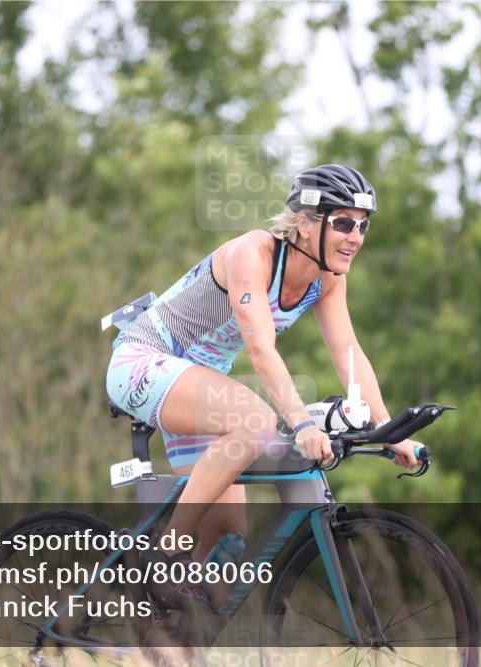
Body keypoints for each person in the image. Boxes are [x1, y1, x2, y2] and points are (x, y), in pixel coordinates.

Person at [105, 164, 423, 605]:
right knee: (256, 422)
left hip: (196, 382)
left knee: (226, 539)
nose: (356, 237)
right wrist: (301, 423)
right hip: (142, 360)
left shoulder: (328, 279)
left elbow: (348, 351)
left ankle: (169, 632)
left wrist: (388, 429)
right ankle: (166, 554)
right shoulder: (252, 254)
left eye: (362, 225)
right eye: (343, 223)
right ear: (306, 223)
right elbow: (260, 350)